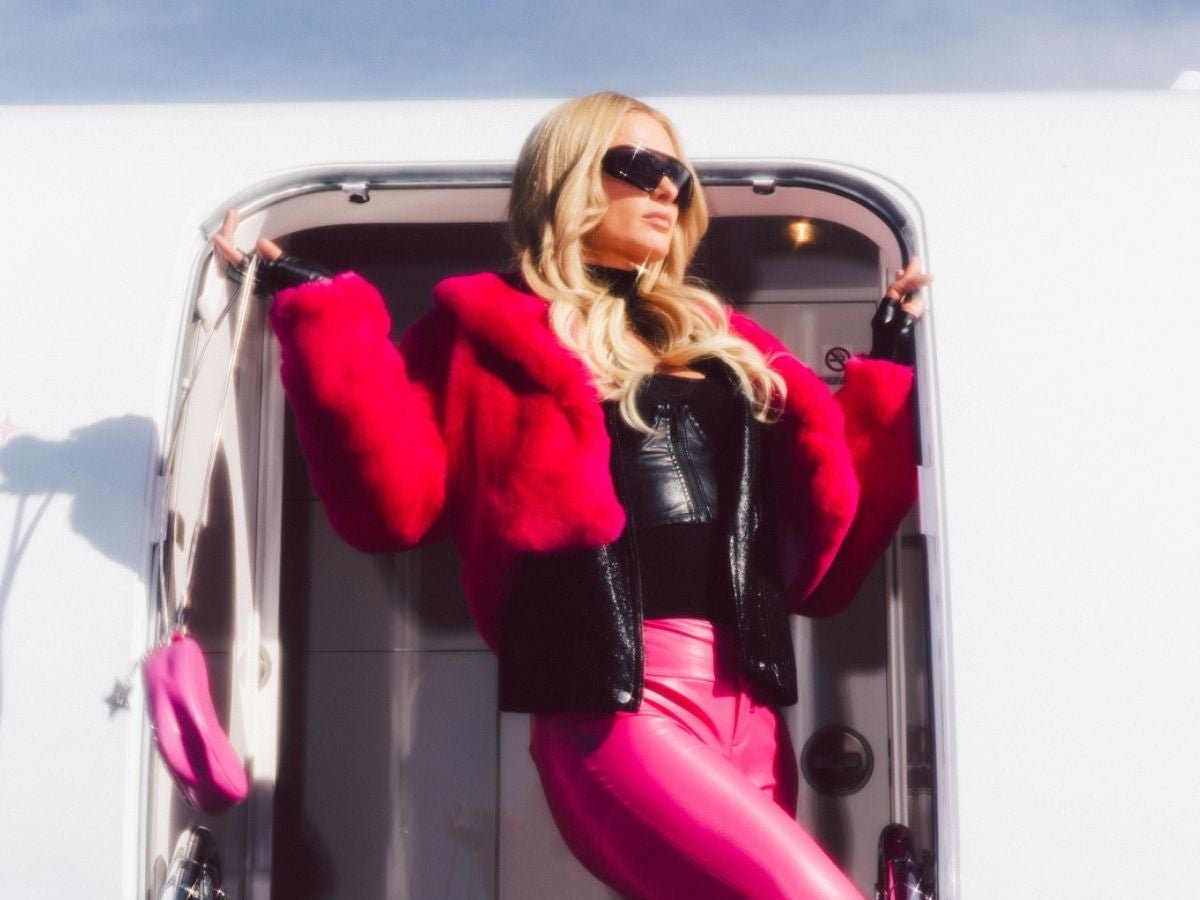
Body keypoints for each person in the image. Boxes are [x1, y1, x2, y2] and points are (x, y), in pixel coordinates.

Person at [214, 91, 930, 900]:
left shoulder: (720, 337)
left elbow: (829, 540)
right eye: (642, 166)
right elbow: (393, 505)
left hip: (752, 707)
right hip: (618, 707)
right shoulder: (485, 328)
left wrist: (889, 360)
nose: (668, 189)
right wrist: (323, 313)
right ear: (572, 175)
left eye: (680, 175)